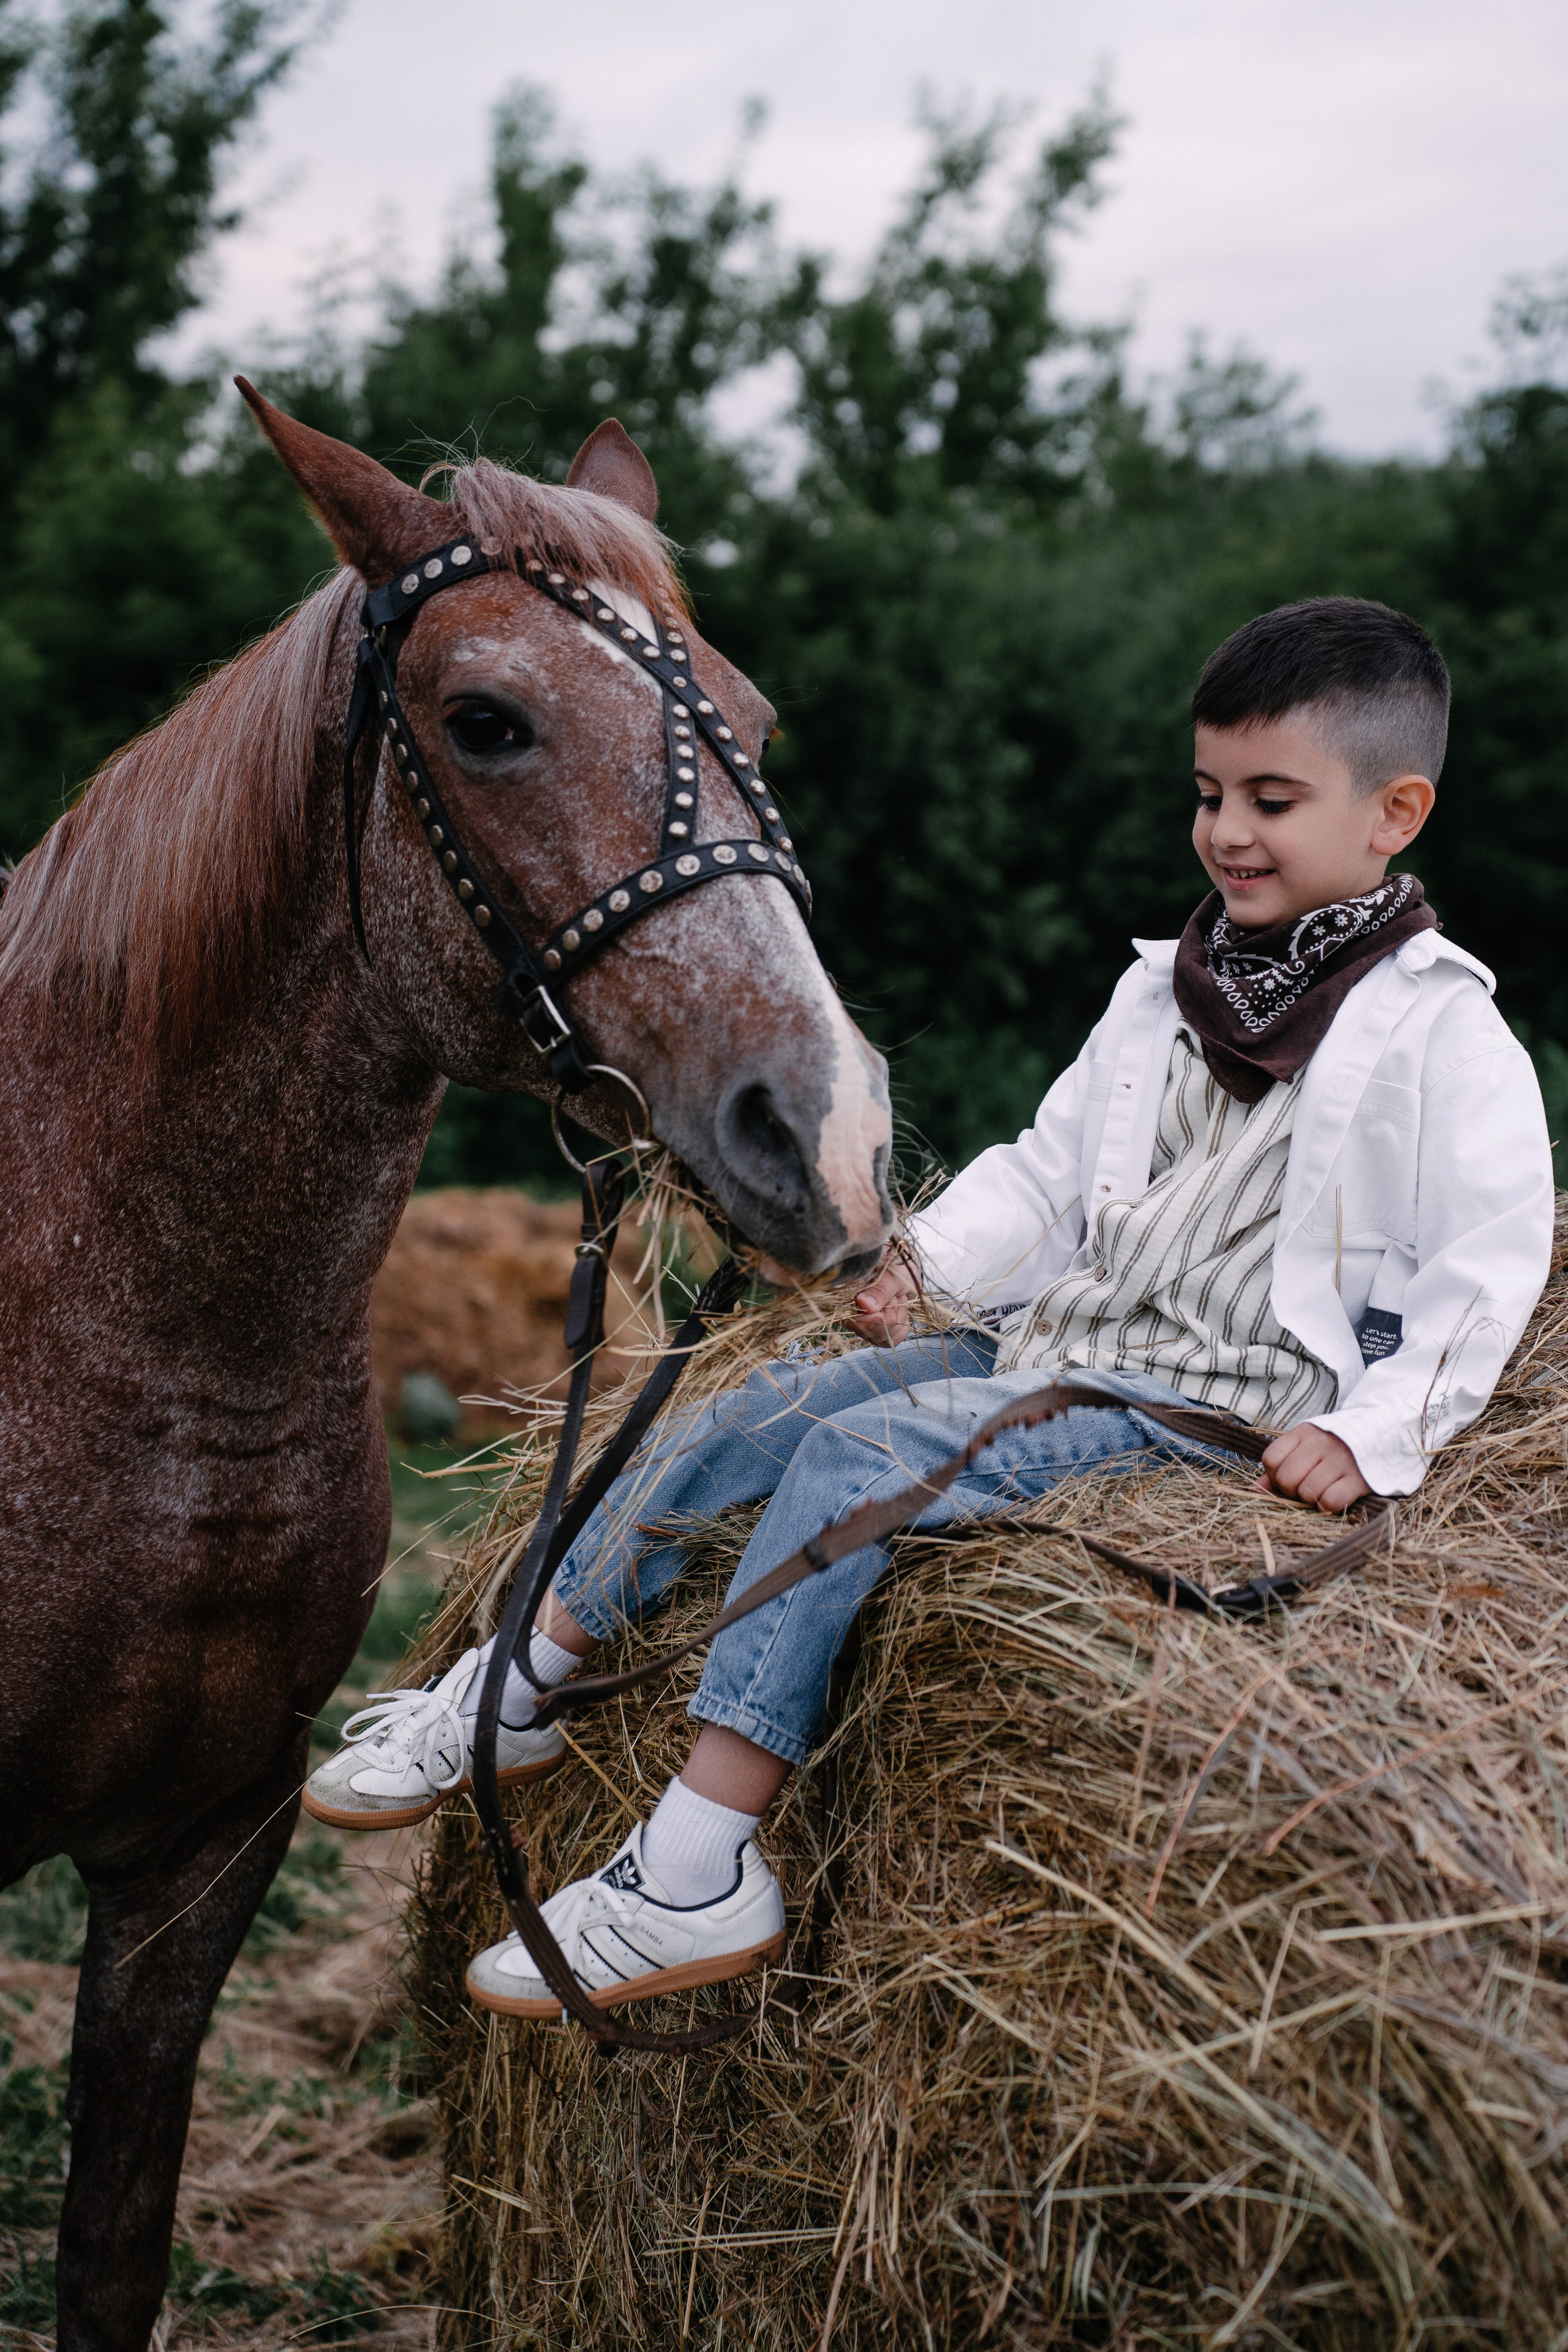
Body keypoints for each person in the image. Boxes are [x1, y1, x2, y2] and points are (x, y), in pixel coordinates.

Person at [306, 595, 1554, 2018]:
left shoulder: (1442, 1032)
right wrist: (929, 1265)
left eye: (1272, 800)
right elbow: (1047, 1171)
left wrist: (1383, 1428)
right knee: (764, 1406)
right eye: (1208, 796)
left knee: (868, 1461)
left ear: (1395, 812)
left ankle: (699, 1859)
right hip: (1060, 1342)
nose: (1225, 832)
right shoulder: (1169, 991)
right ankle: (520, 1683)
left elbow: (1487, 1255)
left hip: (1206, 1396)